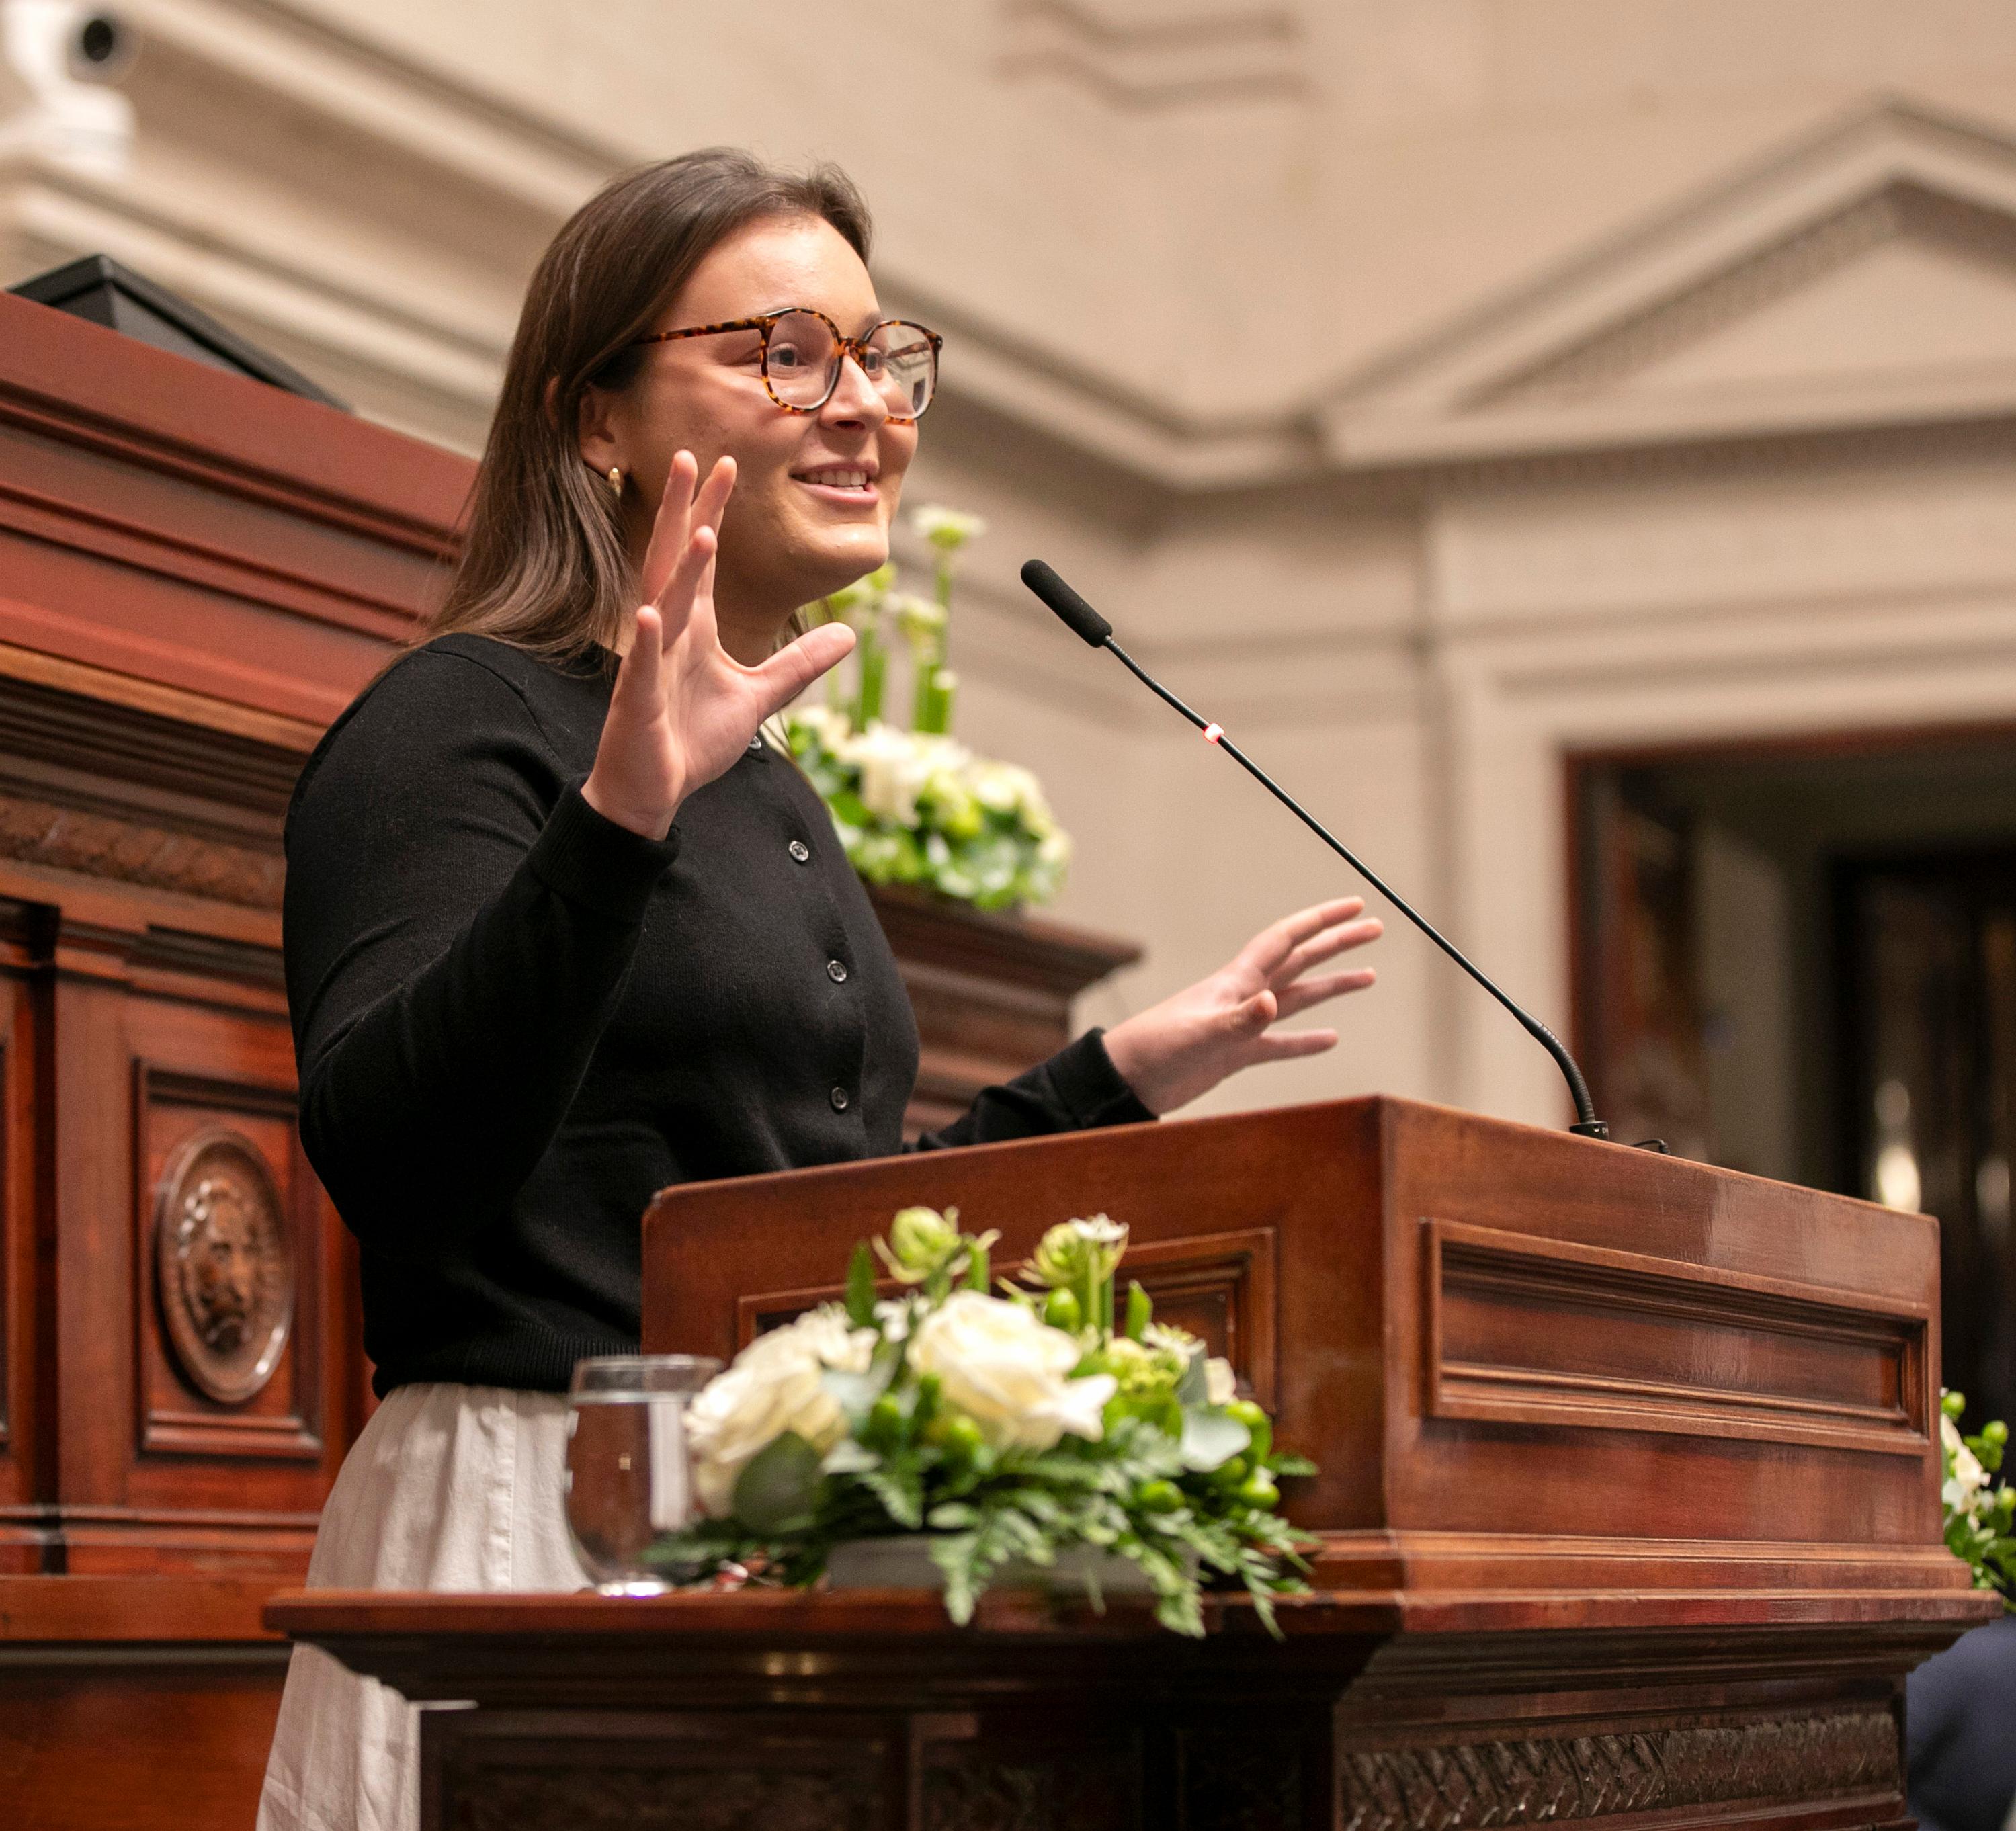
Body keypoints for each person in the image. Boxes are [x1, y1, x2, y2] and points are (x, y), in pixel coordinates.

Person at [255, 148, 1382, 1831]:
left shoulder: (770, 783)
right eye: (785, 353)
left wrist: (1114, 1078)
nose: (862, 405)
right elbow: (396, 1157)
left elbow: (819, 1234)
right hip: (534, 1520)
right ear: (594, 419)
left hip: (770, 1529)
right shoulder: (456, 721)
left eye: (880, 356)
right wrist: (617, 820)